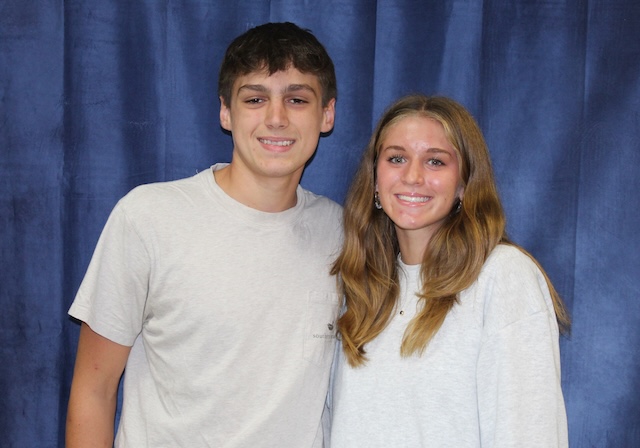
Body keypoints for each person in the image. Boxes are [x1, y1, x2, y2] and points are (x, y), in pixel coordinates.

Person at [66, 22, 341, 447]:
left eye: (297, 99)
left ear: (327, 115)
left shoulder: (345, 235)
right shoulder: (148, 218)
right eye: (255, 99)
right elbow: (94, 390)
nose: (276, 118)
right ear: (225, 112)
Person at [329, 95, 570, 447]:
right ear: (375, 180)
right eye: (396, 158)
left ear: (463, 184)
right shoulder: (360, 287)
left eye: (435, 162)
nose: (413, 177)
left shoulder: (503, 276)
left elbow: (530, 434)